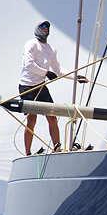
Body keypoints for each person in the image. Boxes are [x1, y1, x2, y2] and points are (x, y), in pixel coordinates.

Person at [18, 21, 87, 156]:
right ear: (37, 29)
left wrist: (76, 77)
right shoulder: (31, 44)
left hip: (40, 86)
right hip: (27, 86)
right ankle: (27, 152)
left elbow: (58, 70)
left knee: (52, 116)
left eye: (47, 27)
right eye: (43, 27)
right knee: (32, 119)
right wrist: (46, 73)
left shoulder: (51, 49)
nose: (46, 29)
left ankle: (57, 148)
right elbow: (28, 65)